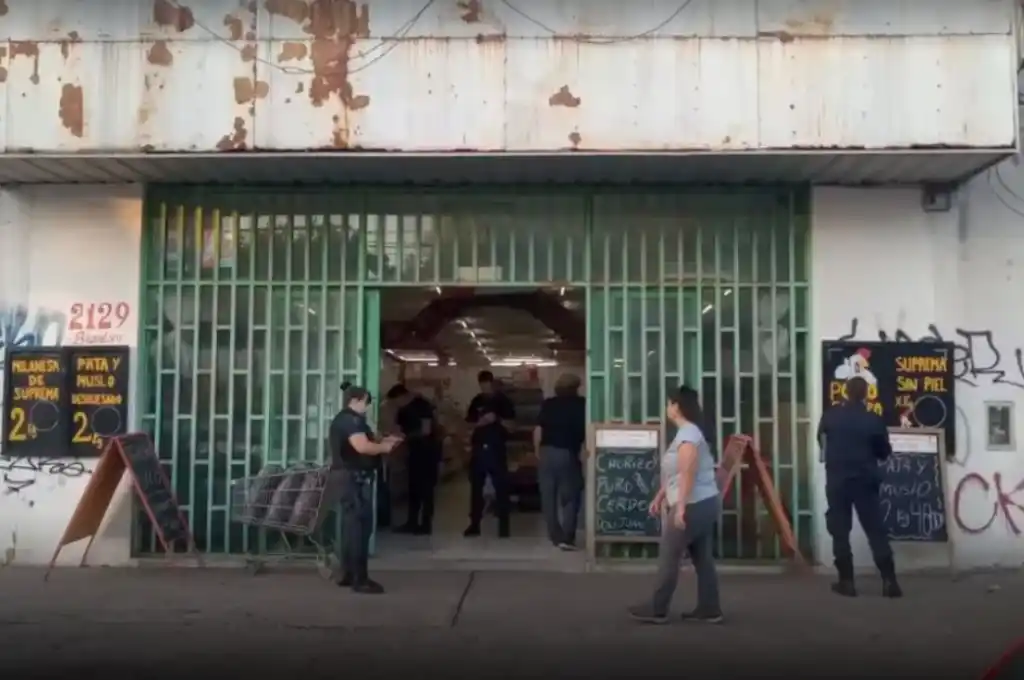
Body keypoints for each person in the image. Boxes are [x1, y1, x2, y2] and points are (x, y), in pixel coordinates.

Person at [629, 385, 723, 625]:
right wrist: (661, 496)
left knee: (669, 554)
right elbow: (677, 474)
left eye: (670, 403)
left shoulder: (689, 434)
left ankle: (657, 608)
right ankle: (710, 608)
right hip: (704, 501)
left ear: (677, 407)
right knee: (702, 557)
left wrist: (680, 507)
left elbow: (687, 472)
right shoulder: (690, 432)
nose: (667, 408)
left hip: (694, 503)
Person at [817, 375, 902, 598]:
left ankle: (847, 582)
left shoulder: (830, 417)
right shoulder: (873, 419)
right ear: (865, 394)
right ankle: (889, 581)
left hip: (837, 481)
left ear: (845, 391)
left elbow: (822, 446)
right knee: (875, 530)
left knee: (840, 531)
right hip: (865, 480)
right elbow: (884, 452)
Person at [328, 385, 402, 594]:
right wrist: (385, 448)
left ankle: (348, 574)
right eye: (367, 402)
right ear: (356, 400)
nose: (368, 407)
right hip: (354, 480)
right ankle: (360, 579)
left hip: (349, 479)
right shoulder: (351, 420)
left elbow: (364, 442)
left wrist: (383, 440)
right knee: (360, 529)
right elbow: (362, 447)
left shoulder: (346, 419)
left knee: (351, 529)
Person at [533, 373, 586, 551]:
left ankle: (555, 536)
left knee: (548, 496)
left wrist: (537, 452)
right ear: (576, 387)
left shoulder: (549, 404)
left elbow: (538, 430)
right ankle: (567, 537)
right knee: (571, 495)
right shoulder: (582, 405)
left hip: (546, 451)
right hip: (567, 453)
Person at [464, 370, 516, 538]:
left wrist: (498, 420)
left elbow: (512, 426)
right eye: (482, 384)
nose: (485, 387)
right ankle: (474, 524)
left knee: (501, 488)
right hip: (479, 448)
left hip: (496, 448)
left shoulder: (504, 402)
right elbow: (469, 425)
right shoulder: (476, 401)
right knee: (476, 488)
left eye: (487, 383)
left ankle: (504, 526)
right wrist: (481, 423)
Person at [386, 383, 442, 535]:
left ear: (403, 396)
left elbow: (426, 430)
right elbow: (397, 428)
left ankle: (425, 524)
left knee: (426, 490)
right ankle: (412, 522)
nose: (396, 405)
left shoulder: (423, 406)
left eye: (397, 401)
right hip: (413, 453)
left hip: (428, 453)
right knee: (413, 489)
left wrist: (405, 437)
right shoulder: (402, 411)